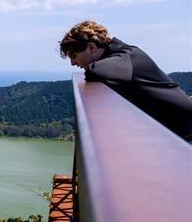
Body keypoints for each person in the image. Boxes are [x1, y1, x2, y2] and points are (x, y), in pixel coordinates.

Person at [59, 20, 192, 142]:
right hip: (175, 131)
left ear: (92, 48)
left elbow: (95, 71)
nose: (72, 63)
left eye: (74, 56)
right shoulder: (123, 55)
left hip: (186, 133)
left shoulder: (125, 57)